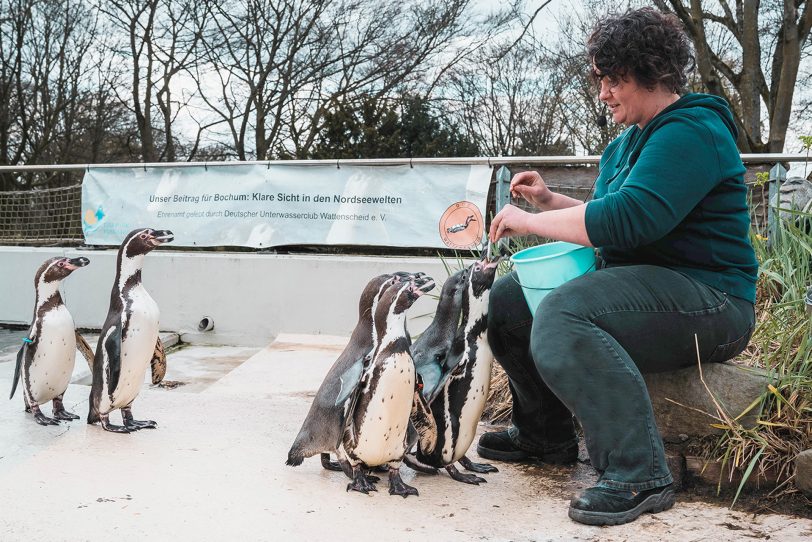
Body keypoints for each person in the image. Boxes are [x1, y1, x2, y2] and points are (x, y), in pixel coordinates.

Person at [478, 7, 758, 527]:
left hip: (712, 300)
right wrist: (548, 202)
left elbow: (630, 221)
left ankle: (638, 473)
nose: (603, 92)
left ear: (651, 72)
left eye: (613, 79)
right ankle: (545, 435)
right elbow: (611, 216)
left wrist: (529, 223)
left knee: (563, 313)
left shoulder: (692, 131)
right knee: (511, 301)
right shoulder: (627, 142)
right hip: (648, 292)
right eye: (601, 79)